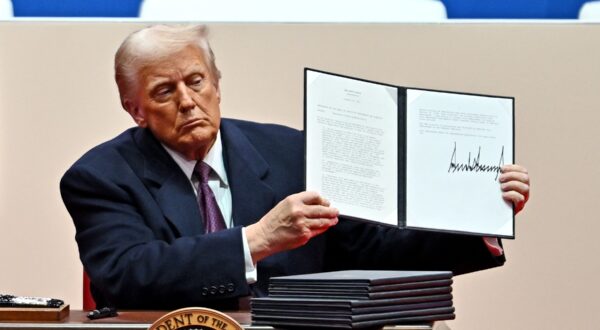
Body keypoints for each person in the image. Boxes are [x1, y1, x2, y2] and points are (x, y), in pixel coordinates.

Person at [60, 25, 530, 310]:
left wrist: (481, 219)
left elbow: (375, 246)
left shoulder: (294, 152)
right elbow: (124, 273)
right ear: (135, 109)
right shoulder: (100, 177)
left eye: (196, 81)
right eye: (164, 91)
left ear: (217, 85)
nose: (187, 101)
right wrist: (258, 240)